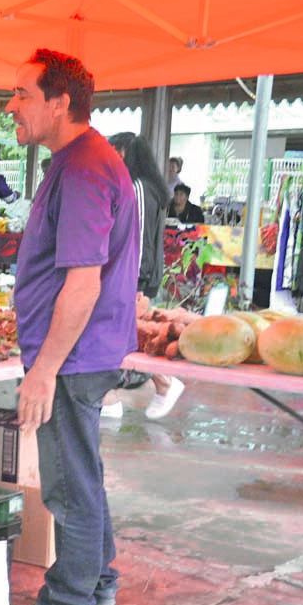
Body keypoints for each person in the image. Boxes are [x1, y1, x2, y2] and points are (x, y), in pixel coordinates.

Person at [5, 49, 139, 605]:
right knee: (83, 473)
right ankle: (99, 586)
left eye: (23, 94)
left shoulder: (85, 169)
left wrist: (44, 372)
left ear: (59, 103)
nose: (11, 105)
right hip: (81, 354)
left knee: (68, 484)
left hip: (73, 357)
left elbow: (83, 283)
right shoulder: (78, 160)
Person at [100, 132, 185, 421]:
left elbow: (138, 237)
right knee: (125, 336)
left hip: (133, 276)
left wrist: (134, 281)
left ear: (125, 153)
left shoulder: (137, 187)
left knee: (122, 335)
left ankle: (161, 384)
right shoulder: (146, 187)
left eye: (114, 151)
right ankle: (114, 397)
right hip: (133, 275)